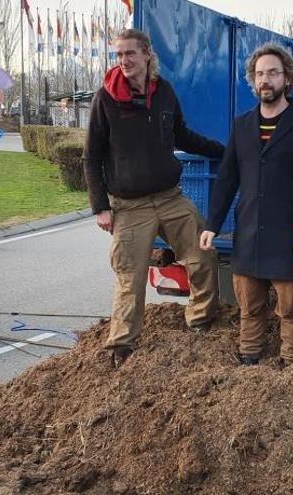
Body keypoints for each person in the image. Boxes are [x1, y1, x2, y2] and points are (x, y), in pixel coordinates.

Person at [83, 28, 225, 368]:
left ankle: (201, 321)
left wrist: (224, 151)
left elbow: (182, 135)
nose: (124, 61)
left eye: (130, 53)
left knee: (203, 254)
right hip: (129, 206)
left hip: (170, 198)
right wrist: (100, 207)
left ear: (147, 54)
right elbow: (91, 156)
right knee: (130, 276)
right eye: (119, 55)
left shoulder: (163, 92)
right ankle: (121, 345)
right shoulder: (105, 99)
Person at [200, 43, 293, 366]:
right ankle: (249, 357)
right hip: (249, 234)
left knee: (292, 307)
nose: (265, 80)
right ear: (252, 81)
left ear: (287, 78)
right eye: (259, 74)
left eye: (272, 72)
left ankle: (292, 360)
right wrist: (211, 224)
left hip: (288, 235)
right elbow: (228, 179)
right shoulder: (242, 125)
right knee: (249, 305)